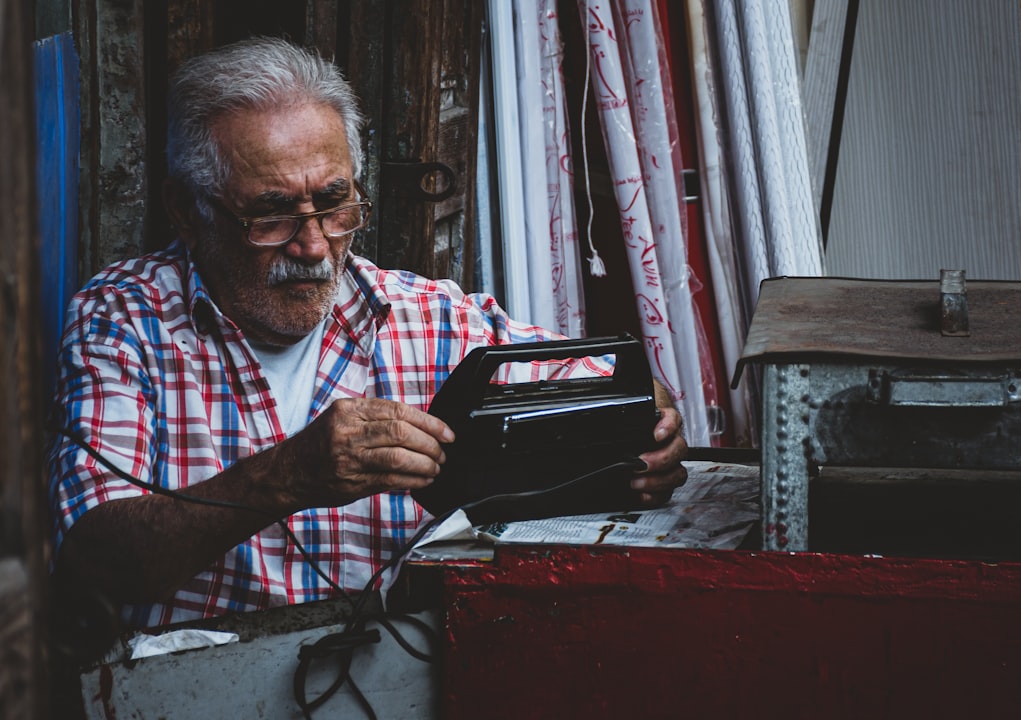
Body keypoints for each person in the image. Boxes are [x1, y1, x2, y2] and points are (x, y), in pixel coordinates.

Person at [47, 37, 688, 631]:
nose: (313, 246)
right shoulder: (125, 320)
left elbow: (618, 394)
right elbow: (93, 562)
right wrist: (286, 476)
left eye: (334, 204)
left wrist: (647, 433)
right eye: (269, 215)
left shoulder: (430, 319)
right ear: (188, 211)